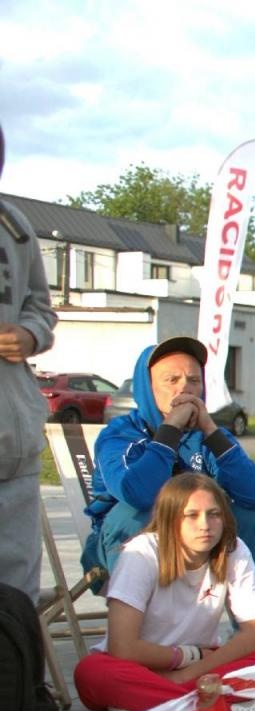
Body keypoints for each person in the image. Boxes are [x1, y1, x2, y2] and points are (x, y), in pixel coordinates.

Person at [73, 473, 255, 711]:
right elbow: (122, 648)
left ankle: (150, 710)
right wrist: (185, 659)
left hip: (198, 668)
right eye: (191, 515)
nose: (205, 525)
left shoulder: (233, 549)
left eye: (214, 514)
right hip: (141, 667)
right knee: (92, 673)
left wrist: (185, 675)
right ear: (170, 519)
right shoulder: (141, 552)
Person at [84, 338, 255, 590]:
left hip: (198, 538)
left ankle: (249, 622)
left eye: (193, 380)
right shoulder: (120, 435)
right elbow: (137, 495)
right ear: (147, 388)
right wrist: (170, 429)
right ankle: (132, 620)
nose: (185, 388)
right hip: (125, 545)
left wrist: (209, 429)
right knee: (132, 514)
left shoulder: (207, 434)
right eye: (171, 380)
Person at [0, 125, 54, 603]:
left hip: (11, 439)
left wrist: (29, 333)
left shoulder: (13, 225)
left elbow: (42, 306)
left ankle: (16, 678)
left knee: (16, 589)